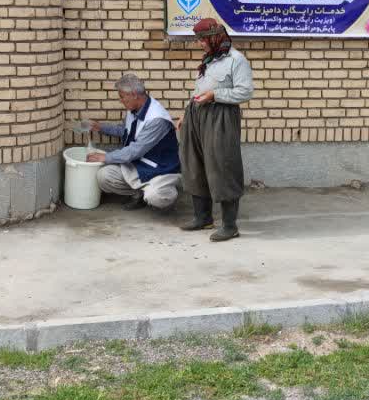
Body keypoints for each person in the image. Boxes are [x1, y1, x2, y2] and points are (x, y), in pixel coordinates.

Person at [178, 18, 253, 242]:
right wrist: (186, 114)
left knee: (223, 166)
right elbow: (200, 89)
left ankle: (230, 226)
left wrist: (215, 95)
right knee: (195, 165)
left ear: (215, 37)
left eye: (202, 39)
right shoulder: (210, 59)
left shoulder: (236, 60)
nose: (199, 43)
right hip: (197, 115)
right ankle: (203, 218)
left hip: (221, 117)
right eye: (198, 39)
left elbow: (245, 92)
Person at [86, 74, 182, 212]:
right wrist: (101, 127)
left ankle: (165, 191)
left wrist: (106, 157)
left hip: (161, 170)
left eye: (122, 96)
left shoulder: (156, 119)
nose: (120, 100)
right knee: (104, 176)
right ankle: (140, 193)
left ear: (134, 95)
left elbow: (135, 150)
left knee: (155, 196)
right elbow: (126, 130)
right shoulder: (134, 110)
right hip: (139, 166)